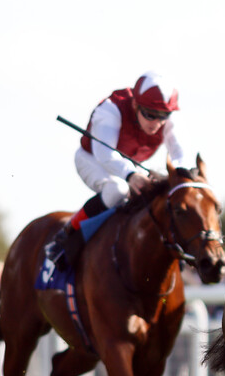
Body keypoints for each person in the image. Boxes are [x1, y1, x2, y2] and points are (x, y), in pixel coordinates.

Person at [46, 71, 186, 269]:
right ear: (136, 105)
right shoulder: (111, 110)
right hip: (92, 159)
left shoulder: (167, 119)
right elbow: (104, 153)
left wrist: (181, 177)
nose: (157, 123)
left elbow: (179, 154)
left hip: (129, 165)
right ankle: (65, 237)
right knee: (117, 190)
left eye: (163, 116)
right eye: (150, 115)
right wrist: (131, 174)